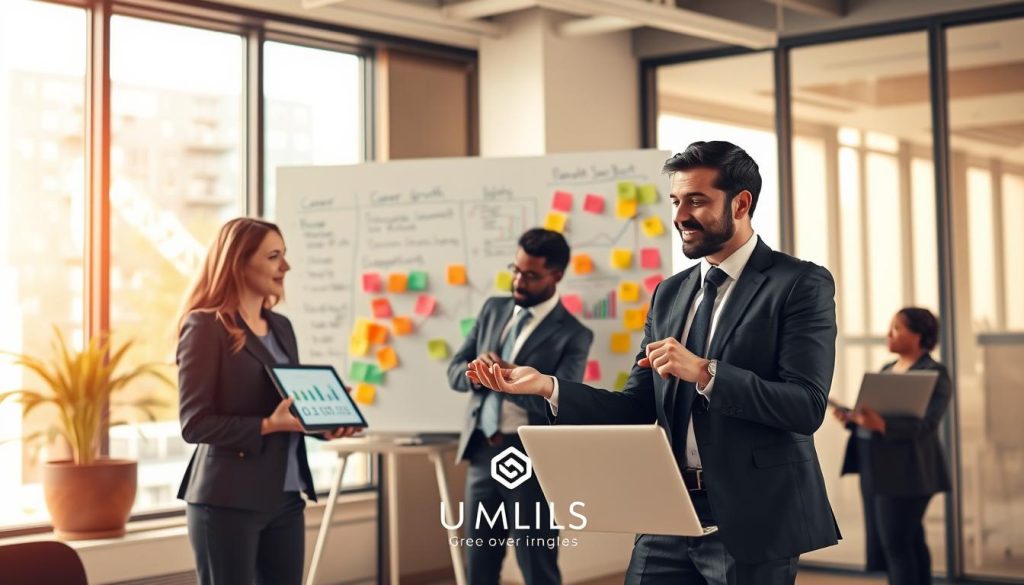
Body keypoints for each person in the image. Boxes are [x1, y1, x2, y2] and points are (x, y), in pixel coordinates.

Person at [468, 141, 841, 585]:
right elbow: (635, 407)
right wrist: (549, 387)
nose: (680, 215)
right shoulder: (670, 292)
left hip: (753, 516)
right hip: (667, 509)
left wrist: (706, 373)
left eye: (697, 200)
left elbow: (805, 406)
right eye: (676, 200)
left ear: (741, 203)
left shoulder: (799, 283)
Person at [176, 218, 358, 585]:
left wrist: (327, 420)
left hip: (286, 497)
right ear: (238, 263)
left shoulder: (281, 327)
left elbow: (286, 406)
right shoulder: (205, 326)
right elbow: (194, 423)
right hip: (227, 500)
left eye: (284, 256)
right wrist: (267, 425)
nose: (285, 267)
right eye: (274, 256)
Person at [447, 228, 594, 585]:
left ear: (556, 276)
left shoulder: (574, 334)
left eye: (530, 275)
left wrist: (509, 380)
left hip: (533, 458)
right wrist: (476, 372)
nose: (518, 280)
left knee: (536, 564)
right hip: (484, 450)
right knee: (478, 566)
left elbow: (561, 403)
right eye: (515, 269)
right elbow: (454, 372)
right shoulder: (494, 309)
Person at [834, 308, 952, 585]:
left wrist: (882, 425)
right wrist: (852, 419)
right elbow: (875, 419)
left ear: (919, 335)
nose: (889, 334)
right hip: (876, 469)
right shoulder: (887, 370)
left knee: (896, 546)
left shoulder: (934, 373)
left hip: (909, 474)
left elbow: (927, 424)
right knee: (909, 541)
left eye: (897, 328)